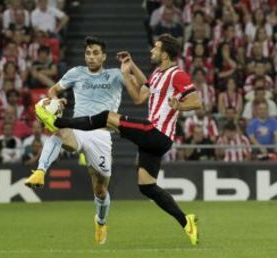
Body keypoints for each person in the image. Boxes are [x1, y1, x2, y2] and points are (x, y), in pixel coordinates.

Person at [36, 34, 201, 246]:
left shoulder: (177, 74)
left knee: (107, 116)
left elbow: (196, 101)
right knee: (147, 186)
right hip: (156, 140)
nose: (151, 51)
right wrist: (129, 67)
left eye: (156, 48)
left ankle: (59, 123)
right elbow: (141, 95)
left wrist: (180, 106)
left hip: (156, 131)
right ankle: (186, 221)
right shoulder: (159, 74)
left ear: (165, 54)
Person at [25, 36, 127, 245]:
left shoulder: (115, 75)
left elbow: (139, 89)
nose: (91, 57)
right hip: (79, 125)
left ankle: (100, 221)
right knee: (59, 131)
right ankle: (40, 171)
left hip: (102, 134)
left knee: (100, 190)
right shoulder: (75, 73)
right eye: (88, 53)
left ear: (104, 56)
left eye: (95, 53)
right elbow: (53, 90)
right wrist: (57, 101)